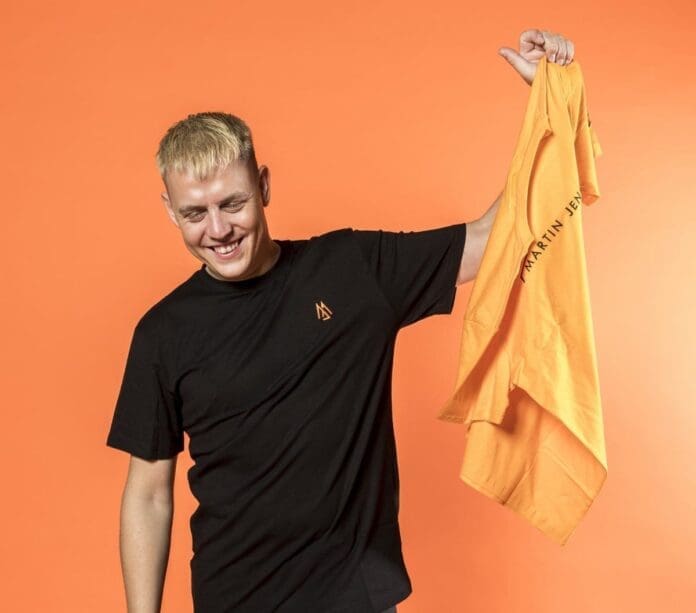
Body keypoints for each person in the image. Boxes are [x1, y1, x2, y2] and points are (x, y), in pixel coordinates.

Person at [105, 28, 575, 613]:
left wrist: (550, 106)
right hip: (233, 600)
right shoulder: (162, 333)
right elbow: (149, 494)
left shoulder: (352, 269)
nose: (218, 230)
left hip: (356, 596)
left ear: (265, 186)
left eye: (233, 203)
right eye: (194, 214)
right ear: (169, 210)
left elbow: (489, 240)